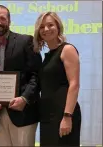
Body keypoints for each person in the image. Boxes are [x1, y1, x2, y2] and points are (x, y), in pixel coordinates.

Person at [0, 5, 42, 146]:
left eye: (2, 18)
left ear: (9, 21)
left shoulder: (26, 41)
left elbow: (36, 75)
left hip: (23, 113)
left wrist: (25, 99)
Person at [33, 11, 82, 146]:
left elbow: (74, 84)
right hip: (48, 114)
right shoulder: (48, 56)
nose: (46, 29)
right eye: (42, 27)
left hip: (64, 113)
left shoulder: (67, 49)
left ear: (58, 27)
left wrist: (67, 116)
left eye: (50, 25)